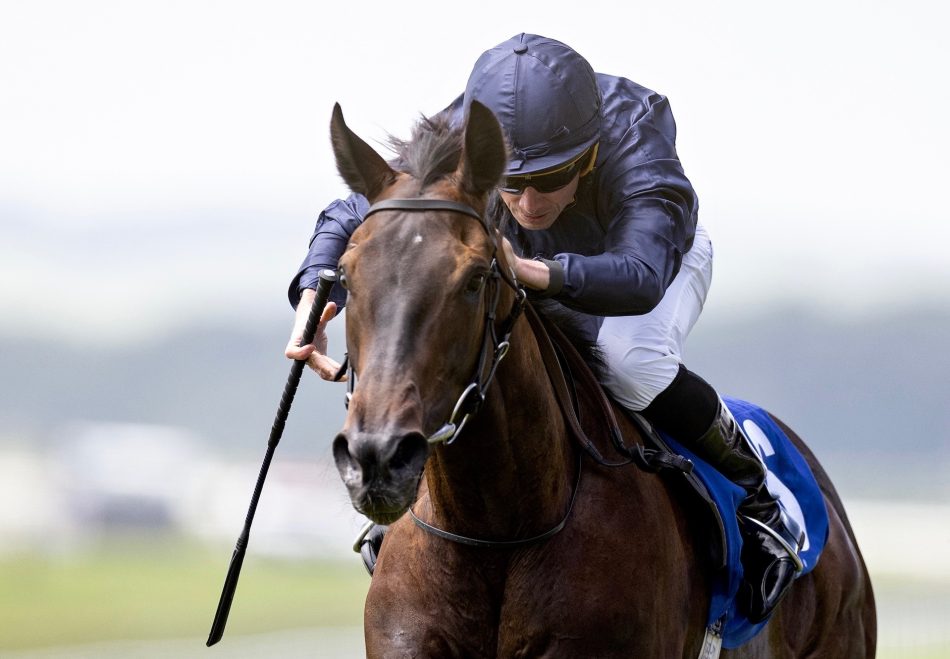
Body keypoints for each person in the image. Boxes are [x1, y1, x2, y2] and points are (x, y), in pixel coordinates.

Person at [285, 33, 802, 623]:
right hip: (513, 254)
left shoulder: (638, 130)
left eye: (551, 177)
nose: (529, 204)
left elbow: (641, 275)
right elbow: (357, 210)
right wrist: (315, 290)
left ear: (588, 155)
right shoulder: (460, 134)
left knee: (629, 364)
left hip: (649, 257)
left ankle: (754, 489)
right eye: (512, 182)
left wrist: (535, 270)